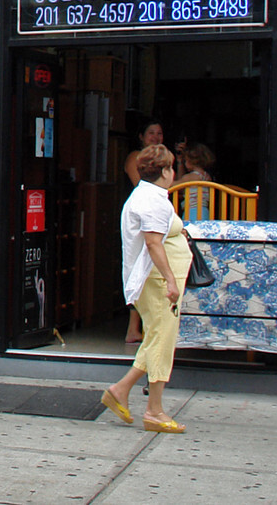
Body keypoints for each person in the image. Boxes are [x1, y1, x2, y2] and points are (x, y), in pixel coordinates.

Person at [103, 143, 190, 433]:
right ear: (165, 171)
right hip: (156, 282)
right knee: (162, 340)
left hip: (155, 281)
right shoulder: (152, 201)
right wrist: (170, 280)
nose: (174, 173)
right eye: (172, 167)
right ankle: (154, 409)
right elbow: (153, 243)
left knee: (156, 337)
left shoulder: (148, 196)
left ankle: (120, 390)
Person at [121, 121, 165, 344]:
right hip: (138, 220)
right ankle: (134, 327)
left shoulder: (163, 161)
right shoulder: (135, 157)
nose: (155, 137)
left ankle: (141, 327)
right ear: (141, 136)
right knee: (137, 267)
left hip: (153, 220)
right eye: (151, 133)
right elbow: (145, 185)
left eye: (159, 133)